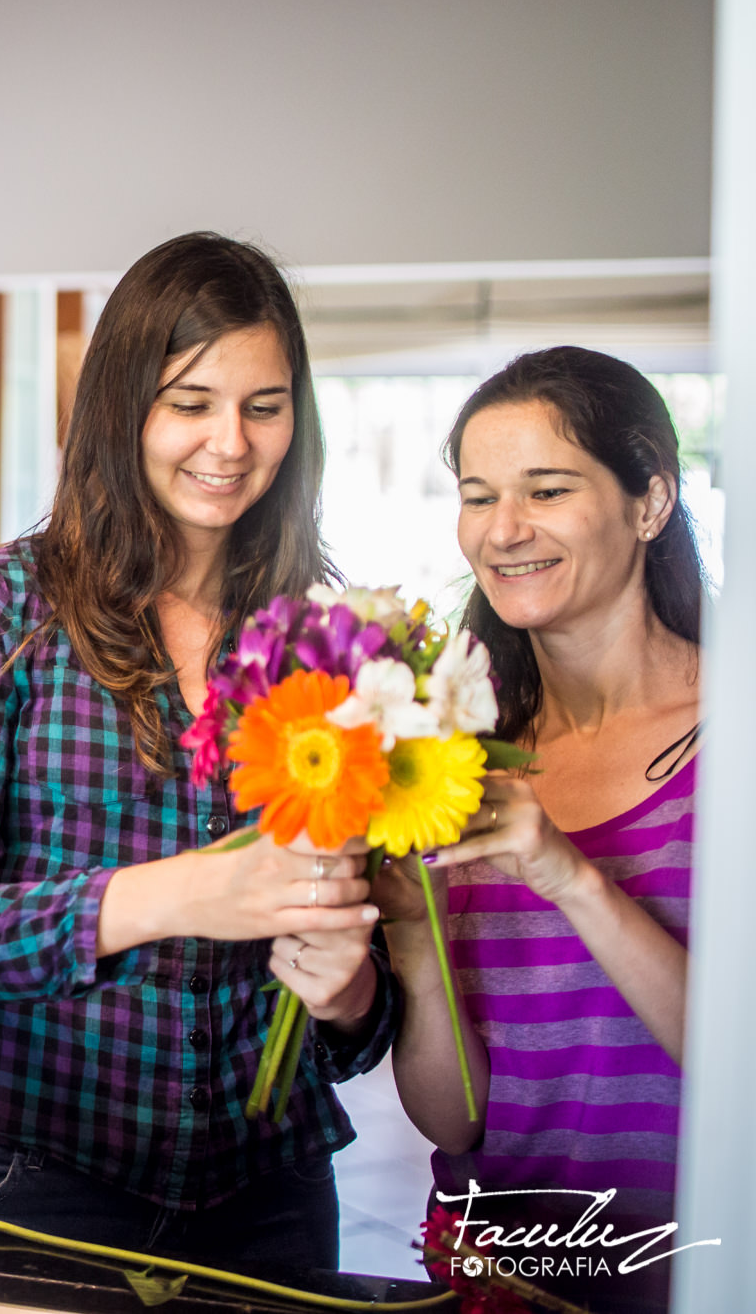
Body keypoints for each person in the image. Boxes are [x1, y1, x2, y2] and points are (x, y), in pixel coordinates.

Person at [0, 232, 395, 1271]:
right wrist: (176, 897)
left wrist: (349, 999)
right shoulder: (0, 605)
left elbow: (353, 982)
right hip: (19, 1170)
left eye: (263, 405)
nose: (230, 443)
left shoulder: (327, 634)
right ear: (123, 410)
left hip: (267, 1190)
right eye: (189, 401)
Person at [378, 347, 699, 1307]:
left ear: (650, 502)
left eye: (546, 489)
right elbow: (458, 1125)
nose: (504, 530)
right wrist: (413, 937)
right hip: (498, 1279)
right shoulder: (457, 761)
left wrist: (570, 874)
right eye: (478, 496)